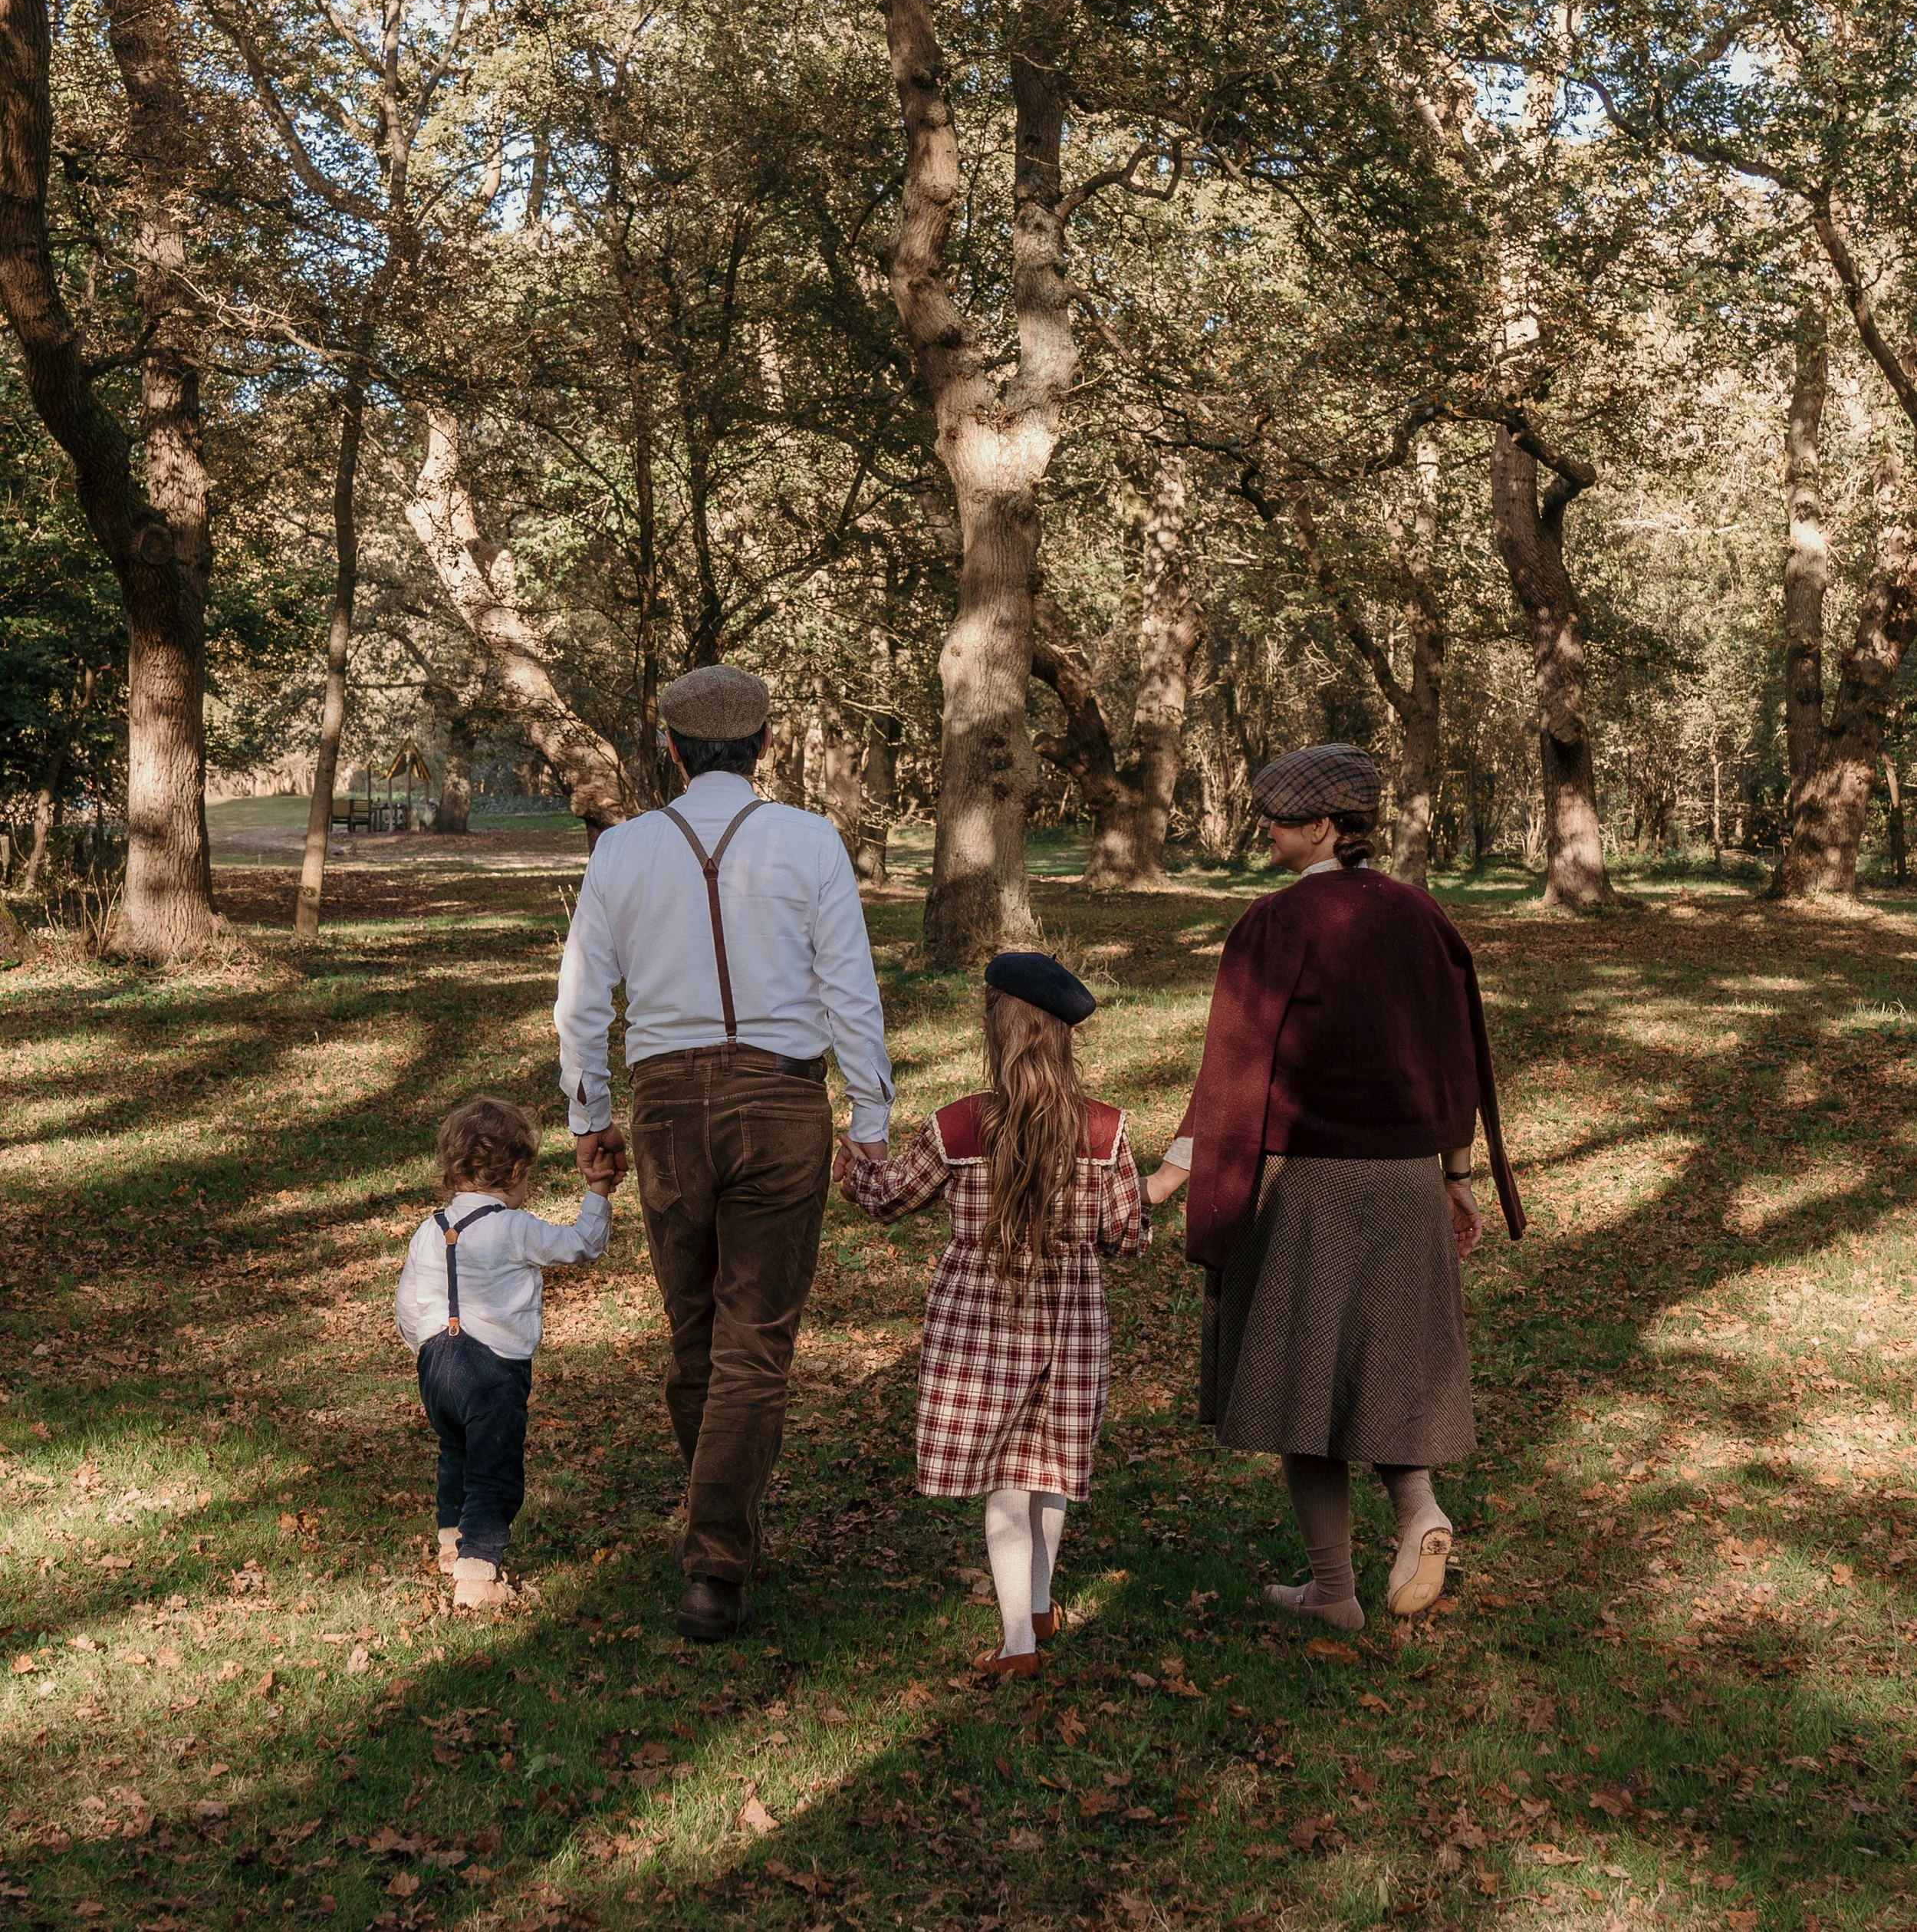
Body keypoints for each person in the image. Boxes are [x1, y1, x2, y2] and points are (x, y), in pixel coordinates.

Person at [1148, 742, 1524, 1633]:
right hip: (1402, 1181)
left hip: (1306, 1183)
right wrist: (1457, 1174)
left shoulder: (1276, 923)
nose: (1266, 832)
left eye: (1278, 819)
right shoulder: (1421, 916)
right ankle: (1417, 1512)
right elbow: (1455, 1054)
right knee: (1385, 1366)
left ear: (1324, 825)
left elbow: (1233, 1068)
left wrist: (1178, 1177)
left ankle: (1333, 1590)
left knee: (1300, 1383)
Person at [554, 663, 895, 1642]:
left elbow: (582, 999)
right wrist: (868, 1119)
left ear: (669, 748)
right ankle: (718, 1551)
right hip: (781, 1101)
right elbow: (849, 989)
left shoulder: (621, 850)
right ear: (765, 746)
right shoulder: (809, 839)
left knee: (696, 1330)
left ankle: (716, 1539)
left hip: (666, 1107)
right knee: (755, 1339)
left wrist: (590, 1117)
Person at [836, 950, 1149, 1680]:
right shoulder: (1104, 1131)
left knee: (1007, 1476)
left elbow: (888, 1197)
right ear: (1063, 1038)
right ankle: (1037, 1606)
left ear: (995, 1029)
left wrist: (853, 1165)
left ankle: (1018, 1647)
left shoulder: (959, 1126)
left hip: (982, 1323)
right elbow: (1127, 1237)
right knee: (1050, 1467)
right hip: (1072, 1322)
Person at [394, 1094, 619, 1611]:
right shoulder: (515, 1228)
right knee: (494, 1468)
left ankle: (452, 1542)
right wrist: (598, 1193)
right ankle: (478, 1574)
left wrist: (424, 1351)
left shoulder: (428, 1231)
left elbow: (408, 1303)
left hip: (435, 1363)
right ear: (517, 1170)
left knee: (456, 1453)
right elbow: (581, 1244)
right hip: (492, 1369)